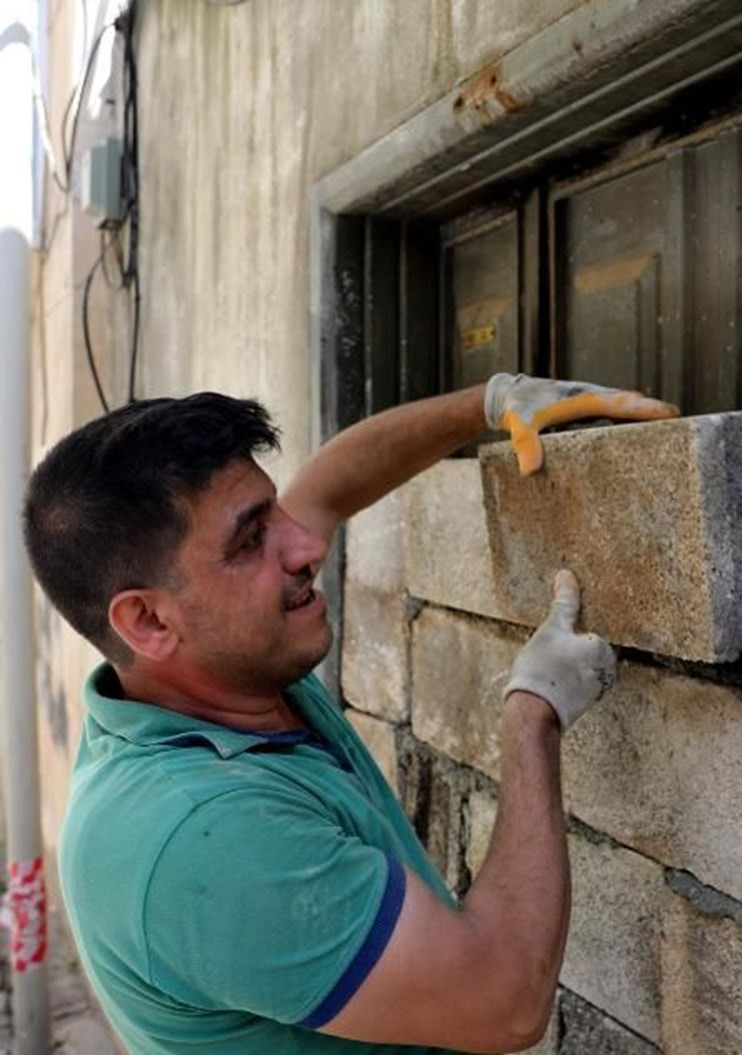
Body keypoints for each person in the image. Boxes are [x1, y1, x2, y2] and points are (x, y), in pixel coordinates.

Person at [23, 374, 677, 1054]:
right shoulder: (201, 837)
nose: (303, 546)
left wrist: (490, 400)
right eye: (250, 539)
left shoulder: (216, 674)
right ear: (149, 618)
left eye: (270, 509)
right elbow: (504, 1000)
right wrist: (532, 715)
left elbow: (327, 488)